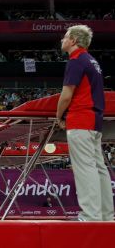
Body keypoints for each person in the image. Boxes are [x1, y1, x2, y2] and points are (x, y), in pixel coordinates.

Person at [56, 25, 113, 221]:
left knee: (85, 169)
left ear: (73, 41)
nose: (62, 40)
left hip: (81, 119)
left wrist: (58, 115)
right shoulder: (92, 61)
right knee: (99, 168)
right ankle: (106, 216)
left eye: (65, 37)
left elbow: (66, 95)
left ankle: (90, 217)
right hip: (95, 120)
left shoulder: (76, 60)